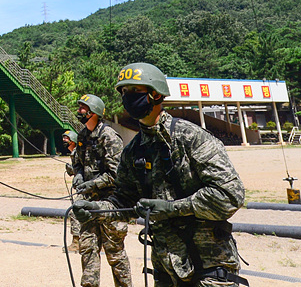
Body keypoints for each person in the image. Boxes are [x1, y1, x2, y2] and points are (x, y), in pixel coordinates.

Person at [72, 63, 247, 287]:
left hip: (209, 267)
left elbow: (230, 195)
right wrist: (99, 209)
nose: (127, 98)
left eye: (134, 91)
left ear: (155, 94)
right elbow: (124, 199)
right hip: (165, 267)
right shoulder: (133, 150)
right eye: (124, 92)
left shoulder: (190, 137)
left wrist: (173, 207)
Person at [71, 94, 133, 287]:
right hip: (88, 204)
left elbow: (117, 174)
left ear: (94, 112)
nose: (80, 111)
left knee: (115, 253)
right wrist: (79, 175)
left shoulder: (109, 136)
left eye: (83, 107)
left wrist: (92, 184)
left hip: (109, 204)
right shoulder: (82, 136)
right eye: (80, 107)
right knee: (88, 249)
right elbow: (78, 164)